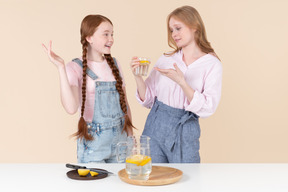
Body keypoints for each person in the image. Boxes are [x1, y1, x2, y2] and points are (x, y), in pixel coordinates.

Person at [130, 6, 222, 163]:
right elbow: (148, 99)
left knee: (188, 180)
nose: (174, 34)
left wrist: (182, 83)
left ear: (195, 26)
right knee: (153, 178)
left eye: (178, 28)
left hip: (184, 129)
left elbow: (208, 107)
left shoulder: (211, 64)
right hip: (155, 124)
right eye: (171, 30)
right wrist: (137, 77)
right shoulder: (166, 59)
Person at [42, 14, 134, 163]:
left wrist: (130, 137)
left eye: (112, 34)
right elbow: (71, 108)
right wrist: (61, 68)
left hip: (121, 141)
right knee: (94, 185)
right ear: (89, 38)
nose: (111, 39)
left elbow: (125, 104)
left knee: (121, 185)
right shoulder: (75, 67)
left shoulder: (115, 64)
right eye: (105, 34)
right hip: (93, 143)